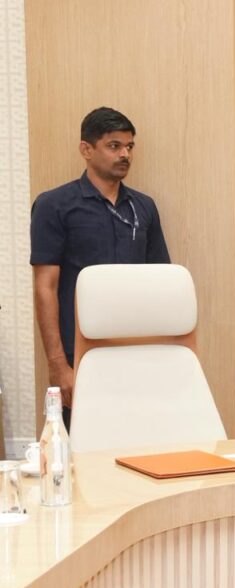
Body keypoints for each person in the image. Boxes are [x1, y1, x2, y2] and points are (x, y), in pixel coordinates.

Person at [30, 107, 170, 424]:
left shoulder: (144, 207)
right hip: (79, 353)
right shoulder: (54, 205)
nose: (125, 154)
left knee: (139, 439)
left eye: (130, 146)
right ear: (87, 149)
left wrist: (162, 353)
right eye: (114, 146)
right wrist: (57, 364)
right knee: (82, 443)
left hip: (136, 351)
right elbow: (45, 287)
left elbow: (161, 281)